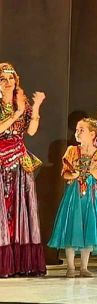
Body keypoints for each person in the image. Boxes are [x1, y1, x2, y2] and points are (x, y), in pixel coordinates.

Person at [0, 62, 46, 277]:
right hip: (1, 158)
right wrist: (18, 112)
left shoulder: (22, 102)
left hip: (19, 159)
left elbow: (32, 131)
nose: (8, 82)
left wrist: (35, 107)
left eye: (11, 78)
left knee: (20, 209)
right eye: (3, 79)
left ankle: (19, 263)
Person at [49, 118, 97, 278]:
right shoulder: (72, 150)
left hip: (91, 194)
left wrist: (87, 171)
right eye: (77, 130)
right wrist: (73, 174)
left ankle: (84, 267)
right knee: (71, 226)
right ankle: (70, 267)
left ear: (92, 134)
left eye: (81, 130)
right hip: (74, 194)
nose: (77, 133)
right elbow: (65, 173)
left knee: (89, 226)